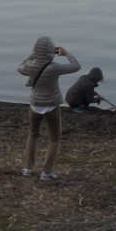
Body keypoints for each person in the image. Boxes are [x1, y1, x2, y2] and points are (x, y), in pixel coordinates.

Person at [18, 35, 79, 180]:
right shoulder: (55, 68)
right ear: (51, 51)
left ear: (35, 50)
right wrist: (67, 54)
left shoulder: (29, 66)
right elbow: (76, 66)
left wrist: (34, 54)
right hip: (51, 106)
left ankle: (27, 168)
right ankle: (46, 172)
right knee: (55, 138)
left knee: (33, 134)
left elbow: (20, 66)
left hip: (35, 105)